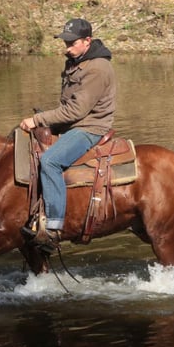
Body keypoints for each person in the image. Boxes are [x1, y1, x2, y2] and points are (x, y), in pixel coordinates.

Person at [19, 18, 116, 251]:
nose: (67, 47)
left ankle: (53, 228)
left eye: (72, 43)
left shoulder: (97, 69)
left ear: (87, 41)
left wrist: (38, 120)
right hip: (73, 123)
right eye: (66, 42)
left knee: (50, 161)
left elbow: (77, 110)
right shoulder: (77, 61)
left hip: (89, 127)